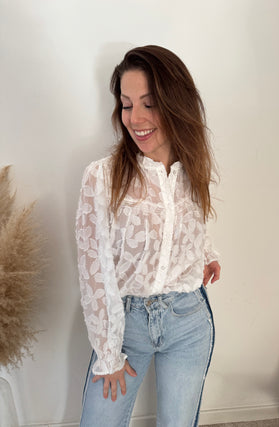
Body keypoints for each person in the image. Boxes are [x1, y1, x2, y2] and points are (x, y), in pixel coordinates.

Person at [76, 45, 221, 427]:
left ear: (176, 104)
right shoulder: (103, 176)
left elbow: (191, 218)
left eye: (149, 103)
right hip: (127, 326)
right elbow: (94, 268)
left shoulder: (194, 164)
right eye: (126, 104)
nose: (135, 118)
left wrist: (204, 252)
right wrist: (108, 354)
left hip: (189, 317)